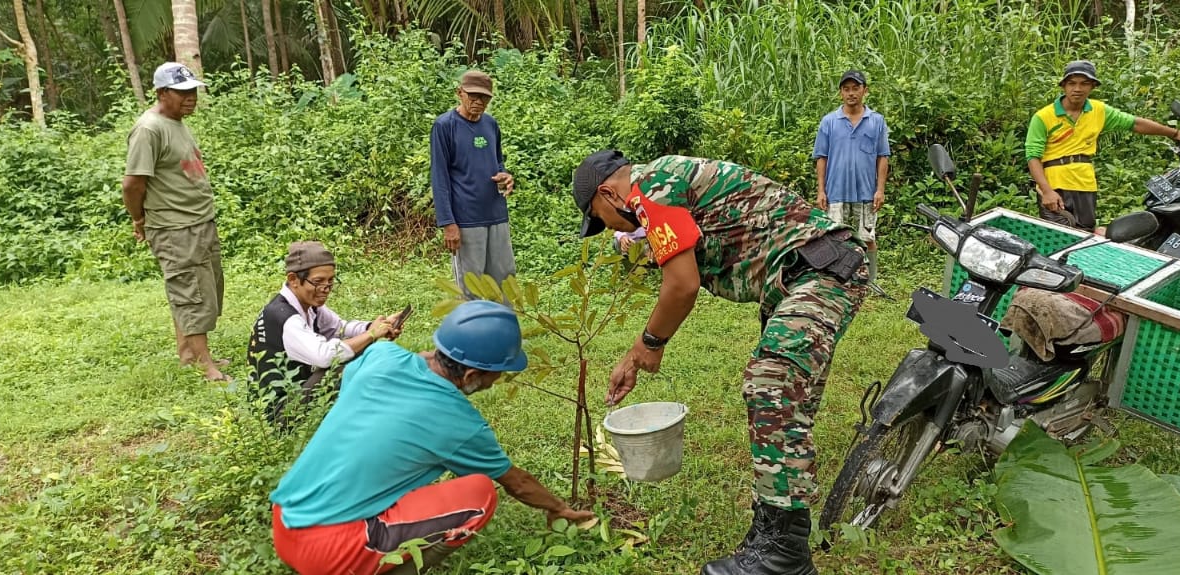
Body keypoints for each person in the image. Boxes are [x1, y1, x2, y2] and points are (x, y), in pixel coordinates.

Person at [571, 150, 869, 575]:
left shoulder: (651, 187)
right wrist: (637, 355)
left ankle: (784, 554)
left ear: (607, 194)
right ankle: (774, 535)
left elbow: (682, 285)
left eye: (600, 219)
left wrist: (649, 344)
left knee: (771, 386)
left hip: (818, 272)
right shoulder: (662, 185)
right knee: (787, 406)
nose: (610, 228)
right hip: (803, 275)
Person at [270, 301, 595, 575]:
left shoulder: (380, 355)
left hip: (284, 521)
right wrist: (559, 509)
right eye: (497, 374)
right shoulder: (459, 423)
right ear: (471, 375)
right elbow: (517, 483)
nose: (496, 381)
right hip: (328, 551)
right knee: (480, 495)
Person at [122, 62, 227, 381]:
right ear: (161, 93)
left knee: (204, 288)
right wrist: (139, 219)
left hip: (199, 221)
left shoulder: (177, 122)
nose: (190, 97)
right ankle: (207, 367)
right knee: (189, 292)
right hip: (175, 227)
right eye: (182, 92)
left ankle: (189, 355)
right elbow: (133, 184)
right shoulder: (148, 129)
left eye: (192, 90)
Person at [247, 241, 404, 426]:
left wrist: (374, 326)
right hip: (278, 414)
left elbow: (339, 328)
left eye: (330, 281)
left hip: (295, 393)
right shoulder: (285, 317)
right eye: (318, 282)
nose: (325, 289)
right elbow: (324, 356)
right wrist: (371, 335)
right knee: (342, 365)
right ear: (293, 279)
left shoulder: (308, 305)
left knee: (358, 349)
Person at [1026, 60, 1180, 230]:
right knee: (1059, 235)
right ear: (1063, 85)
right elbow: (1033, 156)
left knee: (1085, 233)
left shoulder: (1098, 110)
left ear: (1093, 86)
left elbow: (1135, 123)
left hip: (1084, 183)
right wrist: (1046, 190)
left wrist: (1175, 133)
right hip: (1054, 183)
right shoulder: (1043, 117)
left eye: (1084, 83)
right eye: (1072, 83)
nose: (1077, 89)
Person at [431, 70, 517, 295]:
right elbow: (439, 176)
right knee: (472, 283)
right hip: (466, 219)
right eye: (473, 95)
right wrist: (448, 223)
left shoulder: (491, 124)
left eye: (485, 97)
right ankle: (474, 320)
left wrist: (505, 176)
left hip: (496, 214)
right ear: (460, 93)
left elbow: (498, 162)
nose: (479, 102)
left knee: (505, 277)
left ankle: (505, 318)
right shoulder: (444, 126)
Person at [812, 70, 890, 285]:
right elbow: (821, 158)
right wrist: (821, 190)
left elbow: (882, 157)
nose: (851, 93)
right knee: (834, 238)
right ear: (841, 93)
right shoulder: (829, 121)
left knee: (867, 238)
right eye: (846, 89)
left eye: (856, 88)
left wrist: (880, 190)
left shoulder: (876, 121)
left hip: (866, 193)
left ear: (865, 91)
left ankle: (870, 281)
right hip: (835, 192)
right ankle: (836, 281)